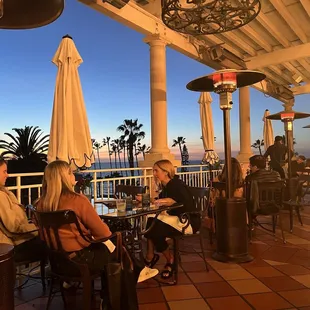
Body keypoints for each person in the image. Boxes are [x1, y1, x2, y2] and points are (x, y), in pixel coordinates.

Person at [35, 160, 157, 304]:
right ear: (64, 177)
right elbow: (104, 233)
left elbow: (44, 236)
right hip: (81, 260)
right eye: (70, 172)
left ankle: (134, 271)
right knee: (116, 245)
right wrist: (90, 234)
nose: (73, 175)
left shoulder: (39, 204)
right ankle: (119, 294)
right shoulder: (77, 200)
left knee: (114, 246)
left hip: (57, 261)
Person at [143, 159, 200, 280]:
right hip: (177, 219)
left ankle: (166, 259)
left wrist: (166, 202)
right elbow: (160, 200)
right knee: (151, 222)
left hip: (188, 221)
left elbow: (183, 204)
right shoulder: (167, 186)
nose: (154, 173)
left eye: (156, 171)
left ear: (166, 172)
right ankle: (152, 255)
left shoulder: (176, 185)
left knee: (154, 229)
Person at [0, 158, 45, 262]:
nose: (7, 175)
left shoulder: (5, 192)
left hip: (15, 241)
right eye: (4, 171)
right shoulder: (1, 196)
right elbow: (14, 228)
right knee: (52, 242)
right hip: (12, 245)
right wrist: (38, 227)